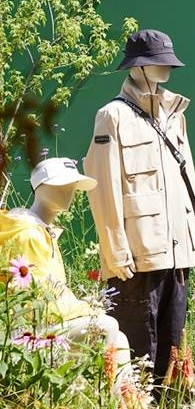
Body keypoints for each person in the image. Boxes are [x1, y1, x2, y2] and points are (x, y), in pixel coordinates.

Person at [84, 29, 195, 380]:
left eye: (168, 62)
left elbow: (187, 183)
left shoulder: (174, 115)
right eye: (157, 62)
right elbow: (103, 187)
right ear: (137, 67)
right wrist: (115, 252)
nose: (166, 69)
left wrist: (192, 239)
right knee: (138, 357)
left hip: (177, 255)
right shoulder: (113, 116)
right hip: (137, 259)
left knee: (172, 353)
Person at [0, 157, 131, 372]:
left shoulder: (43, 231)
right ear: (41, 188)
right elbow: (38, 299)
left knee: (120, 339)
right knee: (107, 326)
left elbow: (53, 291)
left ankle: (126, 394)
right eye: (62, 185)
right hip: (27, 331)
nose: (70, 191)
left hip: (47, 323)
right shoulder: (28, 234)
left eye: (72, 185)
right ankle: (106, 390)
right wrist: (87, 309)